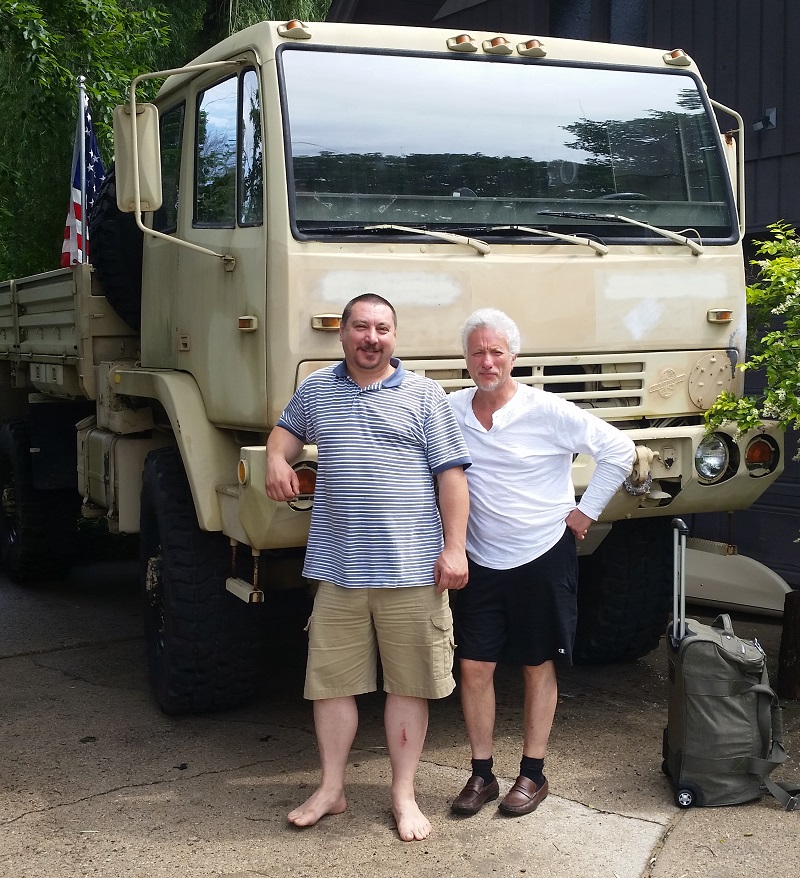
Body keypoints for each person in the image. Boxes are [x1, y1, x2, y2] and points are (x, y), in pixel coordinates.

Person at [265, 293, 471, 842]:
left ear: (394, 337)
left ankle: (403, 795)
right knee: (332, 686)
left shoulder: (427, 396)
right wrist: (275, 458)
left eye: (381, 328)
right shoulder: (315, 391)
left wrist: (455, 548)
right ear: (343, 334)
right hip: (338, 571)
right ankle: (331, 789)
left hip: (412, 570)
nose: (370, 338)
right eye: (361, 327)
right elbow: (283, 434)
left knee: (410, 686)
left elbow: (452, 478)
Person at [447, 308, 635, 817]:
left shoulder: (547, 410)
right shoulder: (451, 410)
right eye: (478, 352)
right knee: (475, 665)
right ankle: (482, 774)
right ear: (466, 359)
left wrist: (585, 512)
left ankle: (532, 774)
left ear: (514, 357)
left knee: (536, 664)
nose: (487, 361)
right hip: (480, 558)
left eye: (496, 352)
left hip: (541, 555)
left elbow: (619, 449)